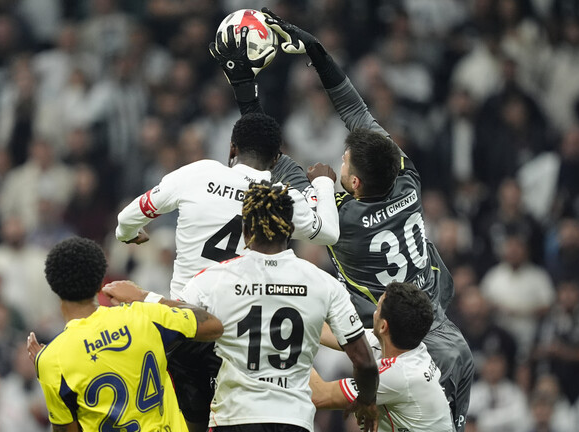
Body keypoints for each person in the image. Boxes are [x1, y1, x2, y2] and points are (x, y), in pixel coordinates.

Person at [209, 12, 474, 431]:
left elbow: (269, 160)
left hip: (404, 347)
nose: (339, 158)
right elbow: (355, 109)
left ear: (352, 180)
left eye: (344, 159)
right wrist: (316, 49)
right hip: (443, 335)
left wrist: (244, 87)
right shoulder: (405, 178)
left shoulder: (342, 220)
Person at [106, 181, 379, 432]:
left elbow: (179, 322)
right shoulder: (324, 283)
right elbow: (364, 362)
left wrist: (145, 298)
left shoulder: (213, 280)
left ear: (246, 231)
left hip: (234, 419)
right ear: (291, 229)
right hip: (294, 420)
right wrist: (366, 400)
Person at [115, 111, 340, 302]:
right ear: (275, 160)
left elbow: (126, 218)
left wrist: (129, 235)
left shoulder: (197, 172)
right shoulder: (279, 197)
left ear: (232, 149)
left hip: (184, 319)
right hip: (237, 327)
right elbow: (329, 234)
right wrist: (323, 183)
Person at [27, 237, 223, 432]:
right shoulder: (144, 315)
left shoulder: (52, 360)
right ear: (100, 283)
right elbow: (213, 325)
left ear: (54, 287)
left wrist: (46, 369)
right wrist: (144, 297)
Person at [311, 282, 454, 432]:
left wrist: (289, 344)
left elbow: (319, 395)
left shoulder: (400, 374)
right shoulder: (403, 345)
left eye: (377, 308)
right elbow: (326, 332)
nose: (374, 312)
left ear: (383, 326)